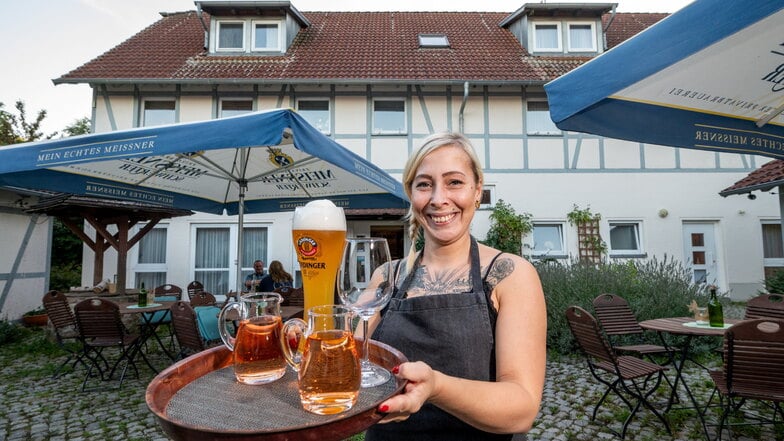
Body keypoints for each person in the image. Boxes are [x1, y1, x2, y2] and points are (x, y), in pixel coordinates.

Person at [365, 132, 547, 440]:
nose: (438, 199)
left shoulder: (510, 275)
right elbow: (347, 358)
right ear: (411, 194)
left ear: (477, 189)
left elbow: (521, 410)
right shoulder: (386, 276)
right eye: (424, 184)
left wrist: (436, 387)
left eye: (454, 182)